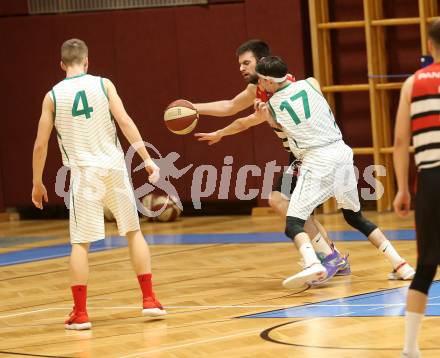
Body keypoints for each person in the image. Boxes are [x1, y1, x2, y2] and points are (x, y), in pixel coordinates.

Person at [31, 39, 166, 330]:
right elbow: (125, 122)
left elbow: (41, 145)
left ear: (62, 64)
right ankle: (150, 300)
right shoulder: (104, 85)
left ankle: (80, 314)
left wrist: (37, 182)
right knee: (133, 232)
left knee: (81, 243)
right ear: (87, 61)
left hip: (83, 174)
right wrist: (147, 159)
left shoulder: (52, 96)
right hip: (114, 167)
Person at [193, 39, 349, 282]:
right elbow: (231, 106)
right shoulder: (259, 88)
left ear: (261, 62)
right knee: (297, 208)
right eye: (240, 64)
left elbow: (245, 121)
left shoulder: (278, 92)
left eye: (247, 63)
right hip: (306, 153)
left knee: (279, 200)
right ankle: (332, 255)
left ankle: (328, 256)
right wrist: (194, 108)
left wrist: (221, 133)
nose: (242, 68)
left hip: (311, 153)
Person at [254, 56, 415, 288]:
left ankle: (313, 263)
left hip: (318, 159)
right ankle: (400, 264)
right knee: (354, 217)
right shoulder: (311, 82)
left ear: (269, 82)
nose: (259, 84)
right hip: (342, 152)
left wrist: (266, 117)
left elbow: (281, 127)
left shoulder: (272, 106)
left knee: (293, 223)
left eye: (260, 80)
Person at [393, 19, 440, 358]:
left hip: (430, 179)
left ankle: (410, 349)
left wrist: (401, 190)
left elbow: (399, 142)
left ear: (430, 43)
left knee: (426, 266)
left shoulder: (412, 82)